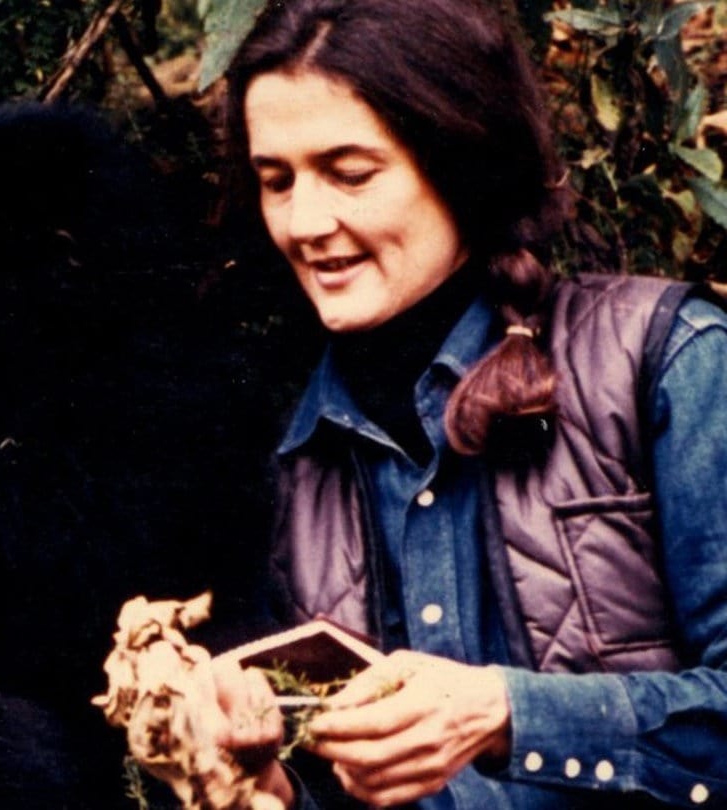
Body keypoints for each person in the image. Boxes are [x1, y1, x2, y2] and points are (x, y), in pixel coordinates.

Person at [200, 0, 727, 808]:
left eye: (351, 173)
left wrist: (512, 715)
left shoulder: (668, 362)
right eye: (277, 181)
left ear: (461, 162)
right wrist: (258, 791)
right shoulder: (290, 460)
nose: (305, 222)